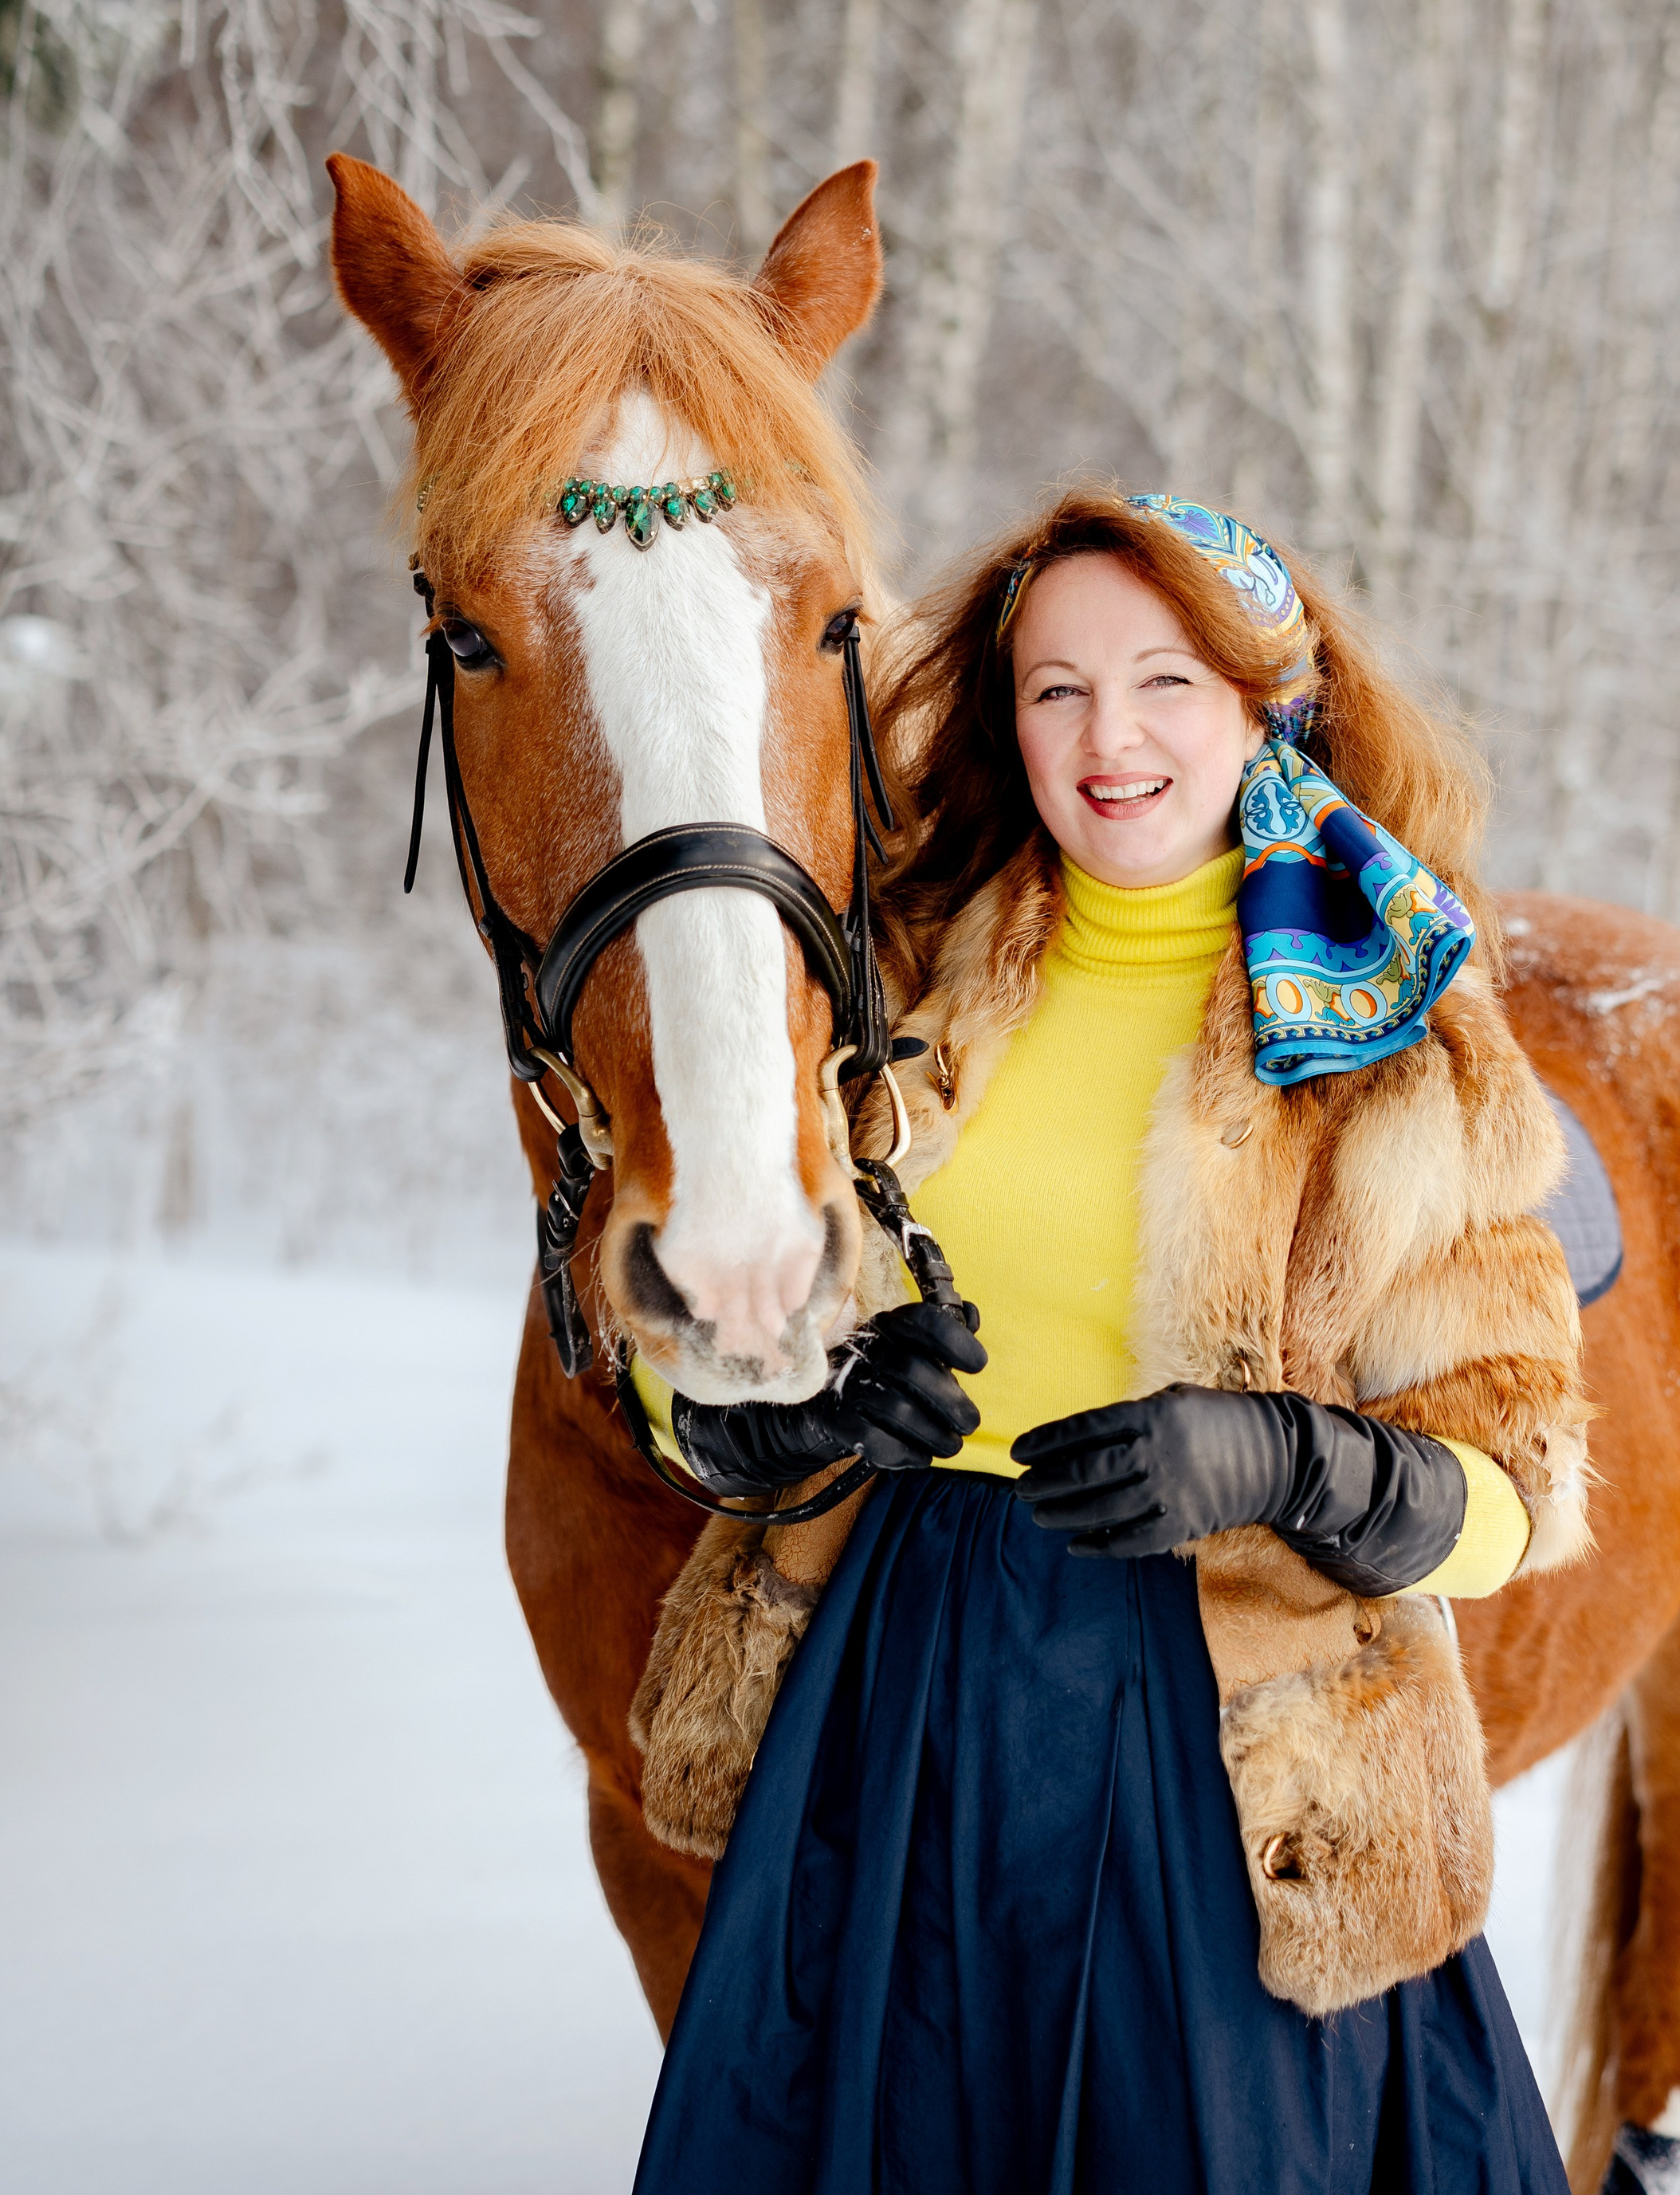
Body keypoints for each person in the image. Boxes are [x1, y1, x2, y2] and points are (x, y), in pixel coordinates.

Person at [629, 485, 1592, 2195]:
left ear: (1258, 704)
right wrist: (795, 1403)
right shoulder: (893, 979)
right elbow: (680, 1329)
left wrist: (1295, 1457)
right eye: (1054, 687)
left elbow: (1515, 1491)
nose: (1107, 734)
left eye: (1163, 682)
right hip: (896, 1694)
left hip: (1225, 1743)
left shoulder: (1391, 1036)